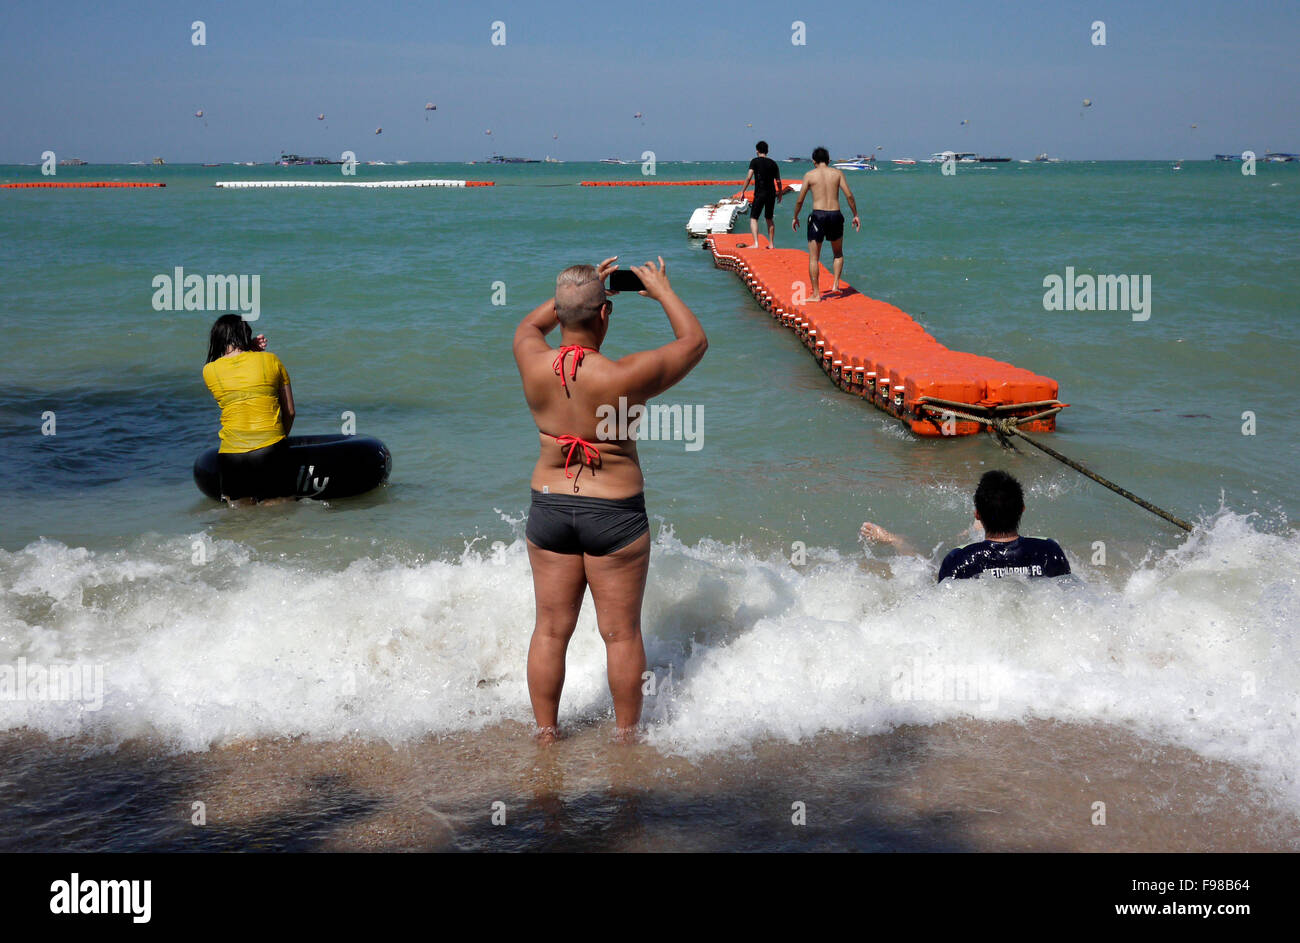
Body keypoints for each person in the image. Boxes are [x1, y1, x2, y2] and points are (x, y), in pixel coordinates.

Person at [512, 256, 707, 743]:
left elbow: (528, 325)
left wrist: (573, 294)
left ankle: (546, 735)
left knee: (550, 631)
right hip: (614, 514)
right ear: (605, 315)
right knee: (620, 634)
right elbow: (694, 342)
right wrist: (661, 291)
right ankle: (625, 741)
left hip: (550, 506)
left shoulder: (530, 359)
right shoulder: (625, 376)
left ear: (559, 314)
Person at [860, 470, 1071, 582]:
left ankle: (895, 540)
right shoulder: (1049, 551)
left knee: (924, 569)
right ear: (1022, 509)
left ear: (977, 513)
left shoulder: (960, 559)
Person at [202, 314, 296, 506]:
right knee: (280, 516)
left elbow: (236, 374)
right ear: (246, 334)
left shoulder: (209, 371)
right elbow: (290, 411)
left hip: (231, 455)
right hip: (269, 447)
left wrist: (248, 348)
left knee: (240, 519)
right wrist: (280, 440)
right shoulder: (271, 360)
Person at [790, 146, 860, 301]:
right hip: (835, 215)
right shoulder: (837, 173)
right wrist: (855, 215)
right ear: (828, 161)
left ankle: (816, 294)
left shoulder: (810, 175)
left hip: (818, 216)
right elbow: (849, 195)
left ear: (814, 161)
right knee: (838, 253)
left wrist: (795, 216)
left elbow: (800, 199)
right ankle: (835, 284)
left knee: (814, 258)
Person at [738, 140, 783, 249]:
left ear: (757, 151)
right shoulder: (773, 163)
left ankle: (756, 243)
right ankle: (771, 244)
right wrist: (780, 193)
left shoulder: (755, 161)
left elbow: (749, 177)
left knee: (754, 218)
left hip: (760, 193)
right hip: (771, 193)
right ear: (767, 151)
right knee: (769, 218)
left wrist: (743, 191)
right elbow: (778, 181)